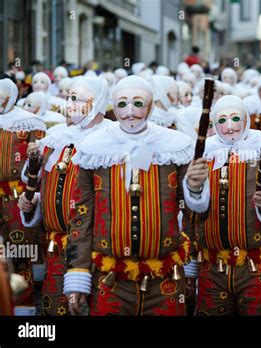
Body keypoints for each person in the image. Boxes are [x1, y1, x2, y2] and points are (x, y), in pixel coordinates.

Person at [63, 76, 207, 315]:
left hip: (165, 276)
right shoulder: (94, 148)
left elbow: (194, 214)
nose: (129, 112)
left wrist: (195, 188)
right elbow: (81, 218)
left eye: (138, 104)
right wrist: (78, 276)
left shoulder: (175, 146)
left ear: (150, 106)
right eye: (122, 104)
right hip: (110, 279)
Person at [190, 95, 261, 315]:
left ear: (246, 120)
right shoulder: (202, 153)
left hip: (258, 263)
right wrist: (194, 191)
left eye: (236, 118)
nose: (230, 126)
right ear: (213, 123)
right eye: (222, 120)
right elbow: (186, 210)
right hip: (212, 265)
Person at [17, 76, 113, 316]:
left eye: (77, 99)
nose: (69, 105)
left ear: (97, 101)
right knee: (53, 310)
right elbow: (49, 185)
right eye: (69, 98)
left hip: (94, 248)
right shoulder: (58, 138)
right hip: (57, 245)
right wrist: (35, 202)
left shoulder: (112, 140)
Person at [0, 77, 46, 315]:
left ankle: (23, 304)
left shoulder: (28, 122)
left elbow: (37, 163)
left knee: (20, 247)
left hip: (15, 193)